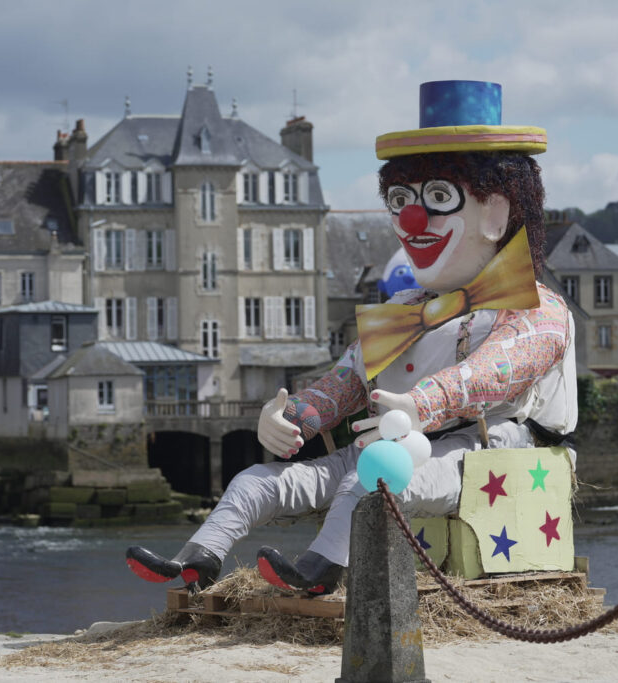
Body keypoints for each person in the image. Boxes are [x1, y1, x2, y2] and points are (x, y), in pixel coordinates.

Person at [125, 80, 577, 594]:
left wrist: (417, 405)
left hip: (492, 450)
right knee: (257, 481)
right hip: (395, 442)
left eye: (437, 198)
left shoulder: (536, 307)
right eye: (402, 199)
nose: (411, 219)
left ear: (496, 213)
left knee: (372, 476)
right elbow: (343, 384)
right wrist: (290, 416)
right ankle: (196, 559)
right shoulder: (404, 311)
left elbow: (496, 371)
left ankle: (319, 572)